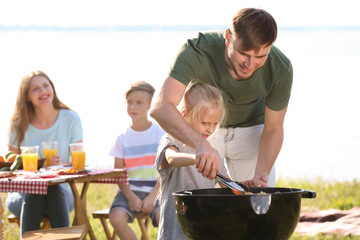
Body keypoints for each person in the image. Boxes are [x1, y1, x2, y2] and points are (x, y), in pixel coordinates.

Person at [150, 8, 293, 188]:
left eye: (260, 56)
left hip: (251, 128)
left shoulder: (281, 68)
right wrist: (201, 144)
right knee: (199, 202)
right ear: (228, 37)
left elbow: (274, 129)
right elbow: (160, 107)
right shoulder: (196, 50)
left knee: (256, 204)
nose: (250, 64)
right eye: (244, 54)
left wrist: (262, 174)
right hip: (204, 127)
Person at [5, 70, 82, 235]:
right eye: (35, 89)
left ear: (52, 88)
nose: (43, 91)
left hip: (60, 192)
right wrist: (39, 167)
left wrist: (59, 167)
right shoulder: (18, 124)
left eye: (46, 85)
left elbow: (78, 163)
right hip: (22, 193)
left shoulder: (71, 120)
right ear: (27, 96)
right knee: (35, 190)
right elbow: (10, 165)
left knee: (51, 188)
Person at [155, 82, 228, 240]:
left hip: (203, 230)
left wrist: (246, 186)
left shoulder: (212, 153)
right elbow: (171, 159)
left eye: (215, 124)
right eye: (205, 123)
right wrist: (196, 158)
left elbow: (228, 185)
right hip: (175, 231)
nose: (210, 129)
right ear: (184, 113)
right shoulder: (171, 140)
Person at [108, 81, 164, 240]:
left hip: (156, 191)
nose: (133, 107)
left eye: (139, 103)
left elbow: (165, 171)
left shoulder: (160, 134)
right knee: (116, 218)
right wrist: (131, 197)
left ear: (150, 105)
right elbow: (118, 174)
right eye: (129, 102)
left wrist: (153, 197)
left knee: (164, 218)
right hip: (129, 191)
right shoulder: (122, 138)